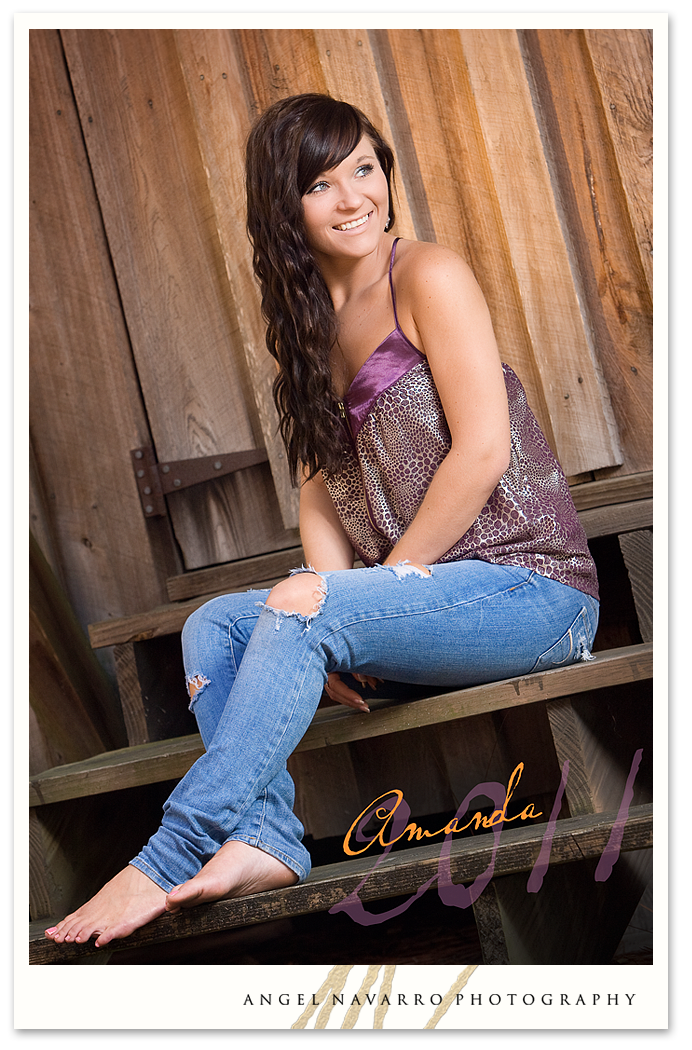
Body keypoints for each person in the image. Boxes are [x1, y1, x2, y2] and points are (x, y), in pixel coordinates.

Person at [45, 93, 599, 950]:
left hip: (530, 590)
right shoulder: (303, 327)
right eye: (323, 184)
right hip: (421, 603)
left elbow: (484, 449)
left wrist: (349, 607)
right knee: (213, 627)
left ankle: (168, 853)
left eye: (366, 170)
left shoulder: (429, 275)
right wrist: (338, 609)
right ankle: (264, 835)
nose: (355, 198)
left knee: (306, 609)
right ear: (283, 208)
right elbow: (319, 488)